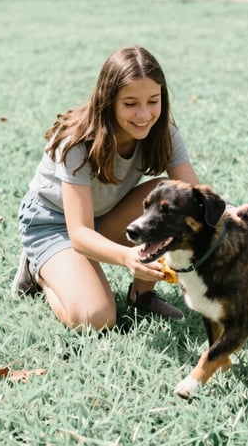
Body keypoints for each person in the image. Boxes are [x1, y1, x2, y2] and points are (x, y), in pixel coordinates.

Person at [12, 45, 200, 330]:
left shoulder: (164, 133)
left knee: (173, 196)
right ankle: (38, 270)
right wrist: (128, 257)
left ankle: (143, 295)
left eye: (153, 100)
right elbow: (79, 233)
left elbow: (196, 198)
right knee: (97, 318)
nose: (144, 114)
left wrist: (243, 216)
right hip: (54, 223)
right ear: (108, 100)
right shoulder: (77, 142)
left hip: (106, 215)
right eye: (130, 103)